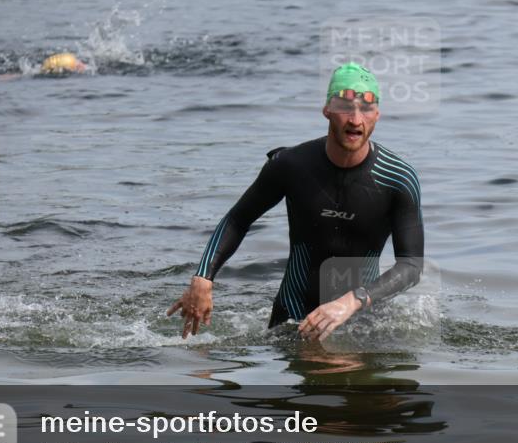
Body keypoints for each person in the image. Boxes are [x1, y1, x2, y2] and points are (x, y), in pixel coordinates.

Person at [167, 62, 424, 342]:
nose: (355, 120)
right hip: (289, 322)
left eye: (366, 109)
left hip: (359, 321)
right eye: (345, 107)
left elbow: (411, 266)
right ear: (327, 110)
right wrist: (203, 278)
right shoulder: (292, 165)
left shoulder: (397, 178)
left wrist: (352, 301)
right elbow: (238, 219)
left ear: (377, 115)